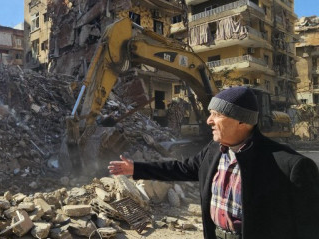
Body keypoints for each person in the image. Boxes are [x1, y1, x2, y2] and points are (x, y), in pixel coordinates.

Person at [108, 86, 319, 239]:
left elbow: (309, 227)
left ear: (242, 121)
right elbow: (183, 169)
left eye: (216, 115)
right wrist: (136, 168)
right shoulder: (215, 150)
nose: (209, 121)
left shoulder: (289, 166)